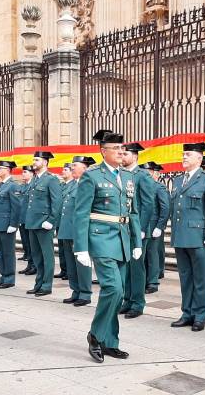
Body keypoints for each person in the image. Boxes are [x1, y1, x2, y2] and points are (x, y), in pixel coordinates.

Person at [74, 130, 142, 363]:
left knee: (118, 293)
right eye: (116, 148)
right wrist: (80, 247)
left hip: (122, 239)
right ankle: (95, 335)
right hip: (101, 238)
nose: (121, 152)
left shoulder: (129, 176)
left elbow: (132, 211)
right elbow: (81, 212)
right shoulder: (92, 176)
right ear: (103, 151)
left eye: (122, 148)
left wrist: (137, 241)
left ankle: (110, 342)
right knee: (114, 289)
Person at [169, 143, 205, 332]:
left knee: (202, 278)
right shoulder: (177, 181)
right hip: (181, 237)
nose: (184, 157)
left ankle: (200, 315)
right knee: (186, 278)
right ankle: (187, 313)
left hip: (199, 237)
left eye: (188, 155)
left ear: (199, 159)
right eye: (183, 154)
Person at [119, 143, 157, 319]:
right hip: (125, 228)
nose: (122, 156)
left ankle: (138, 303)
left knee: (137, 267)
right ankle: (127, 300)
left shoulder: (143, 176)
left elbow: (148, 204)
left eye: (125, 154)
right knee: (126, 266)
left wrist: (141, 228)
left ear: (135, 156)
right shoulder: (122, 174)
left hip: (138, 229)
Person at [58, 155, 95, 306]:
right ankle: (76, 291)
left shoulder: (88, 184)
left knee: (82, 263)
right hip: (67, 229)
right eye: (72, 165)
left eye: (75, 165)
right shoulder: (71, 184)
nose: (72, 167)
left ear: (85, 168)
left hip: (80, 231)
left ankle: (85, 294)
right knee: (71, 264)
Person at [24, 151, 62, 296]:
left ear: (45, 162)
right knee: (37, 256)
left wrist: (51, 220)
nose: (34, 162)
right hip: (32, 223)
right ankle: (38, 283)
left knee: (47, 256)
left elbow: (57, 201)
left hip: (44, 223)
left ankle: (46, 285)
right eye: (34, 159)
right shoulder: (34, 179)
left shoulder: (51, 179)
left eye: (37, 160)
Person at [0, 160, 20, 289]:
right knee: (0, 252)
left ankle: (9, 278)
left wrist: (13, 224)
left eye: (0, 168)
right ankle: (3, 275)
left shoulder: (12, 185)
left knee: (8, 252)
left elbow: (16, 206)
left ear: (7, 169)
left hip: (7, 225)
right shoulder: (0, 185)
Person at [142, 162, 169, 294]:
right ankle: (144, 280)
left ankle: (152, 282)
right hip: (142, 225)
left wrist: (160, 226)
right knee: (143, 254)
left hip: (153, 226)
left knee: (152, 253)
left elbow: (165, 208)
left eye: (148, 172)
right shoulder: (140, 186)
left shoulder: (159, 187)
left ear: (153, 173)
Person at [55, 163, 73, 280]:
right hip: (59, 221)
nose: (63, 171)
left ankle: (69, 271)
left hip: (69, 223)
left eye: (66, 170)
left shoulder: (74, 185)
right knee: (61, 248)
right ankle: (64, 269)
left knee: (68, 250)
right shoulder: (61, 186)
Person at [17, 166, 36, 275]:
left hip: (30, 219)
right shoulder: (23, 186)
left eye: (25, 172)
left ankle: (34, 265)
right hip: (22, 219)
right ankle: (29, 264)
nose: (23, 174)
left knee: (32, 245)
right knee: (26, 244)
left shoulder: (33, 185)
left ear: (31, 174)